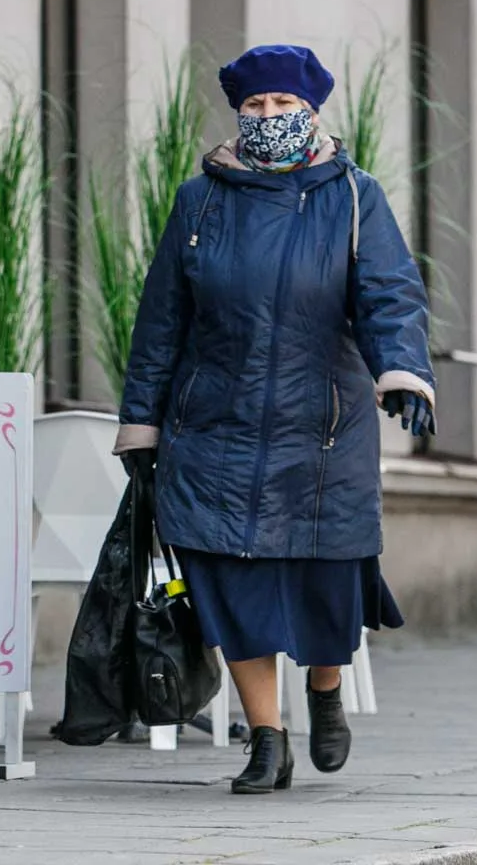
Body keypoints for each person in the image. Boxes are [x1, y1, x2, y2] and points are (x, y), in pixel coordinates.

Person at [113, 44, 435, 795]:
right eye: (255, 105)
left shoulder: (353, 196)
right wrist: (142, 421)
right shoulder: (200, 201)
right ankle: (267, 738)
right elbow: (162, 319)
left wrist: (401, 368)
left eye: (284, 104)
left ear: (311, 111)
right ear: (238, 112)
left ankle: (325, 689)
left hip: (321, 426)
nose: (269, 116)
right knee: (232, 584)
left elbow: (389, 293)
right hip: (214, 425)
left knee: (329, 579)